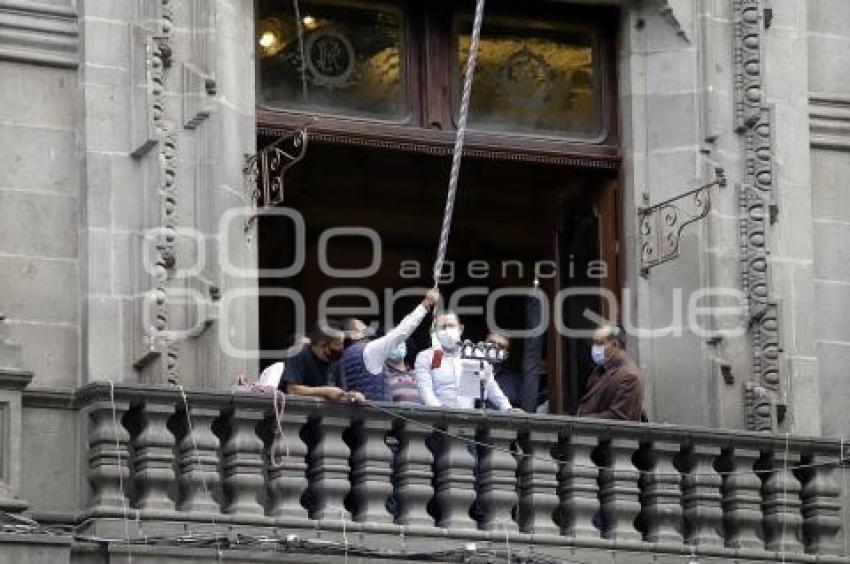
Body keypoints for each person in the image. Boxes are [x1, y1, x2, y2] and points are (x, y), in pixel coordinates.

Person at [340, 289, 441, 401]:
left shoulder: (342, 357)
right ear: (353, 335)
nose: (368, 332)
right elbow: (400, 332)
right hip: (378, 414)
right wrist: (425, 305)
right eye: (363, 330)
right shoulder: (368, 351)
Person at [414, 311, 515, 411]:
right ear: (435, 331)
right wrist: (442, 414)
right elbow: (426, 392)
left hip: (466, 421)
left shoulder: (474, 354)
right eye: (442, 327)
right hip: (435, 420)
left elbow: (490, 386)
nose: (447, 330)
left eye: (451, 326)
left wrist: (507, 408)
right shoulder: (425, 357)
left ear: (461, 329)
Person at [278, 320, 365, 403]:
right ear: (322, 344)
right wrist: (324, 391)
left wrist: (352, 395)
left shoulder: (336, 360)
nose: (341, 348)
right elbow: (292, 389)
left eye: (342, 344)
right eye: (338, 344)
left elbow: (341, 392)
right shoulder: (299, 353)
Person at [577, 323, 643, 421]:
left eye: (599, 343)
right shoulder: (601, 369)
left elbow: (619, 418)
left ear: (615, 344)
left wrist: (581, 421)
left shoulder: (629, 376)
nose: (594, 348)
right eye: (593, 343)